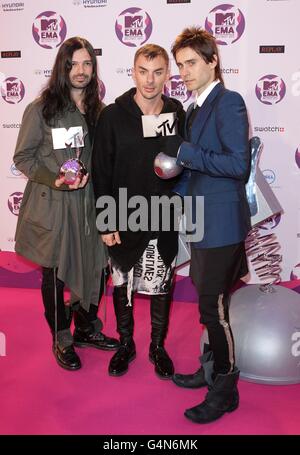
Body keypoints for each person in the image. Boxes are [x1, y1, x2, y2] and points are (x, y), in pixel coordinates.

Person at [14, 37, 119, 371]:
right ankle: (61, 337)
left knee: (94, 266)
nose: (81, 70)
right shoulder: (42, 109)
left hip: (89, 205)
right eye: (73, 63)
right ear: (62, 67)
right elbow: (23, 157)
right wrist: (53, 178)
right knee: (57, 272)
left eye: (87, 63)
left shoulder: (99, 111)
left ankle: (87, 329)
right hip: (55, 205)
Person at [170, 27, 251, 423]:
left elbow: (238, 165)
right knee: (208, 306)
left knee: (213, 308)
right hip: (200, 221)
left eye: (191, 63)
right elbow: (191, 169)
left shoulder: (229, 102)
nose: (183, 72)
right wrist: (174, 196)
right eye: (180, 65)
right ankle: (210, 369)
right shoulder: (194, 108)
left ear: (212, 61)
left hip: (223, 223)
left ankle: (226, 390)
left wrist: (188, 153)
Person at [92, 44, 185, 379]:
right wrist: (106, 221)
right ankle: (126, 343)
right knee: (122, 286)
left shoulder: (176, 112)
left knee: (162, 286)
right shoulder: (113, 116)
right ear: (133, 71)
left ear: (167, 74)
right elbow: (101, 171)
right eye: (144, 71)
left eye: (158, 71)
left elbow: (183, 165)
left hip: (162, 216)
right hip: (123, 218)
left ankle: (157, 347)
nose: (150, 80)